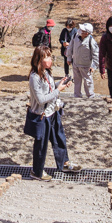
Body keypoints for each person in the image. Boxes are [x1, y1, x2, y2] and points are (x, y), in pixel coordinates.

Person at [26, 46, 75, 179]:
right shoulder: (34, 77)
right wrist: (59, 90)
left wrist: (62, 83)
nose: (50, 59)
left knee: (59, 138)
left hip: (52, 111)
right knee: (41, 145)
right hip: (42, 115)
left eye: (50, 56)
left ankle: (64, 163)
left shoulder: (46, 72)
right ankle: (37, 172)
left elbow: (51, 88)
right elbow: (41, 99)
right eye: (46, 57)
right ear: (39, 59)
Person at [69, 22, 100, 98]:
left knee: (88, 82)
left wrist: (93, 66)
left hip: (86, 66)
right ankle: (77, 96)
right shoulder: (75, 36)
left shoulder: (91, 41)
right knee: (77, 81)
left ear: (87, 33)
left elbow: (96, 54)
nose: (79, 30)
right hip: (76, 63)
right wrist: (69, 58)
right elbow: (70, 47)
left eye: (82, 30)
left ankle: (90, 96)